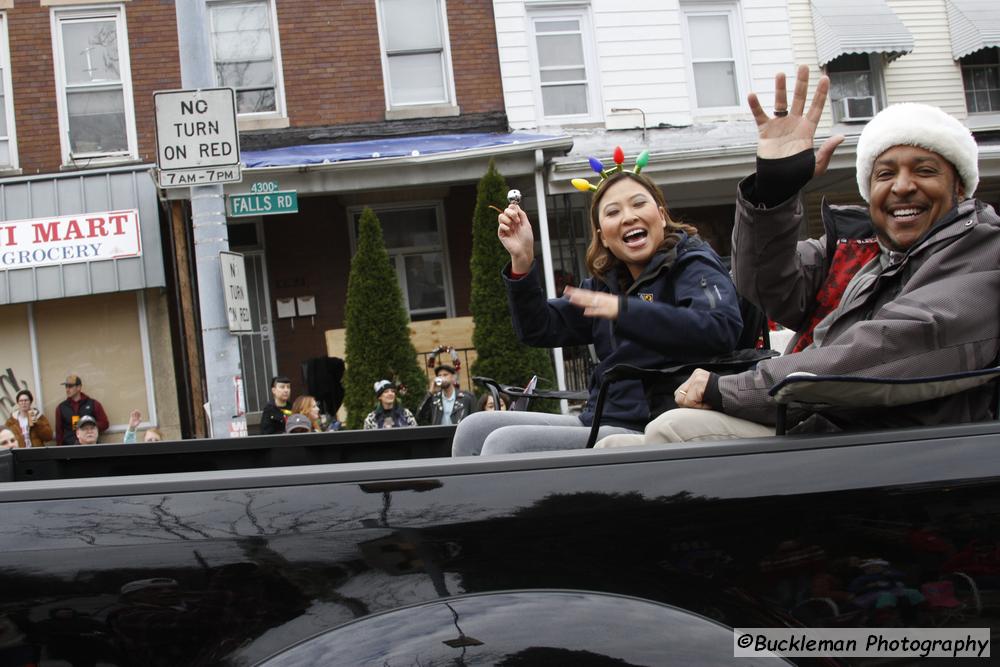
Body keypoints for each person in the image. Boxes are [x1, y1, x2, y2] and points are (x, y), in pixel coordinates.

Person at [599, 66, 1000, 446]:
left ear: (960, 188)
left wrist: (732, 388)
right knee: (614, 447)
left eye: (925, 170)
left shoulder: (981, 250)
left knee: (672, 430)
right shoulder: (860, 249)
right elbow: (765, 285)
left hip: (902, 452)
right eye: (885, 174)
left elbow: (892, 347)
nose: (902, 186)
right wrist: (773, 192)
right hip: (820, 426)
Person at [452, 157, 743, 456]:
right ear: (603, 234)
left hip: (654, 421)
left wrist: (625, 311)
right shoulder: (607, 284)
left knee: (505, 445)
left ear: (661, 214)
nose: (628, 217)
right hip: (601, 416)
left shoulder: (692, 262)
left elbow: (721, 328)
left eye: (638, 204)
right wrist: (523, 261)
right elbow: (538, 329)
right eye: (613, 212)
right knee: (473, 428)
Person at [54, 374, 109, 445]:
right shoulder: (61, 407)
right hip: (69, 447)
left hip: (89, 445)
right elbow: (59, 433)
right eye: (66, 387)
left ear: (79, 387)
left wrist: (87, 425)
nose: (67, 389)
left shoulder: (93, 404)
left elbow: (105, 424)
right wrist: (60, 450)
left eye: (70, 386)